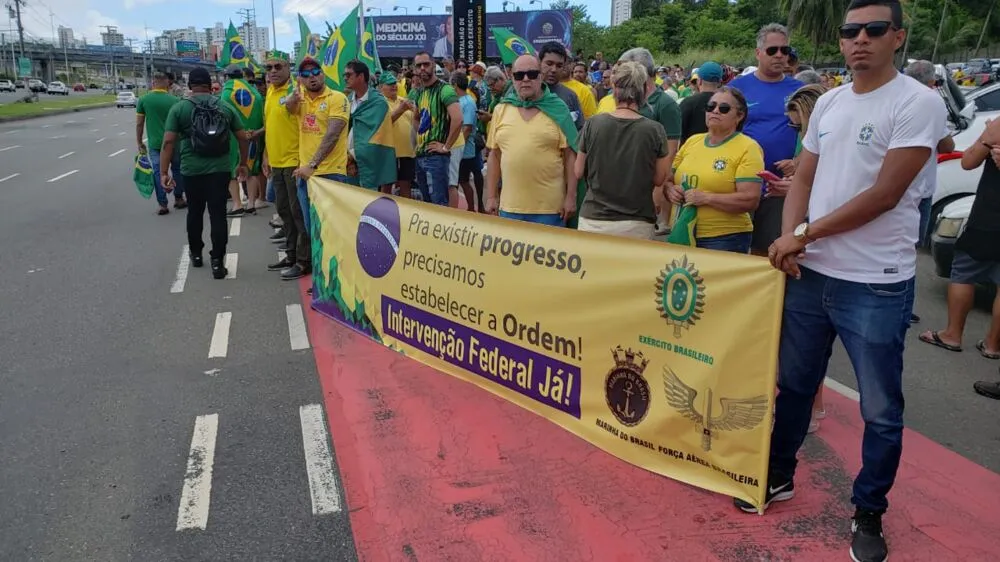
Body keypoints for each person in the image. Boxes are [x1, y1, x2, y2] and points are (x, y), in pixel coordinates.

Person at [748, 3, 944, 562]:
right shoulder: (830, 101)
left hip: (875, 283)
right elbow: (804, 175)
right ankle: (778, 476)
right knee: (793, 386)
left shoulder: (918, 102)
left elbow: (884, 196)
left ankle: (869, 512)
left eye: (873, 30)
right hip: (811, 274)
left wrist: (800, 237)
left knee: (880, 409)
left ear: (897, 37)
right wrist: (789, 241)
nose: (860, 40)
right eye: (849, 31)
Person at [919, 117, 1000, 359]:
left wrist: (987, 137)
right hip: (989, 213)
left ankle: (952, 334)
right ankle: (993, 345)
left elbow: (968, 162)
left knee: (963, 273)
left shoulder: (997, 126)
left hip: (988, 215)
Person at [161, 67, 248, 280]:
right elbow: (243, 137)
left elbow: (169, 142)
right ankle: (218, 261)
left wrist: (164, 171)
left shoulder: (179, 109)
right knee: (217, 214)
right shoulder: (225, 106)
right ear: (210, 85)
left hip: (191, 170)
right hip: (220, 170)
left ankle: (197, 254)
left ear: (190, 85)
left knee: (195, 213)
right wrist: (242, 163)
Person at [729, 23, 805, 256]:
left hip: (779, 186)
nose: (780, 55)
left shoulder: (801, 90)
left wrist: (798, 162)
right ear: (758, 53)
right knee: (734, 250)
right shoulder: (737, 88)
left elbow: (815, 135)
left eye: (785, 50)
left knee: (769, 251)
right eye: (773, 50)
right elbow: (721, 130)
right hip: (740, 183)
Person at [574, 61, 668, 239]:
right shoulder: (655, 130)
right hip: (637, 221)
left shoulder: (593, 124)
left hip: (594, 219)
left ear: (614, 87)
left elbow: (578, 171)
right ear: (644, 88)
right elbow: (659, 178)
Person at [780, 83, 828, 433]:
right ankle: (810, 405)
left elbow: (817, 185)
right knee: (802, 338)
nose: (794, 129)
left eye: (797, 123)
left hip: (816, 238)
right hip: (800, 233)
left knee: (811, 339)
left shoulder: (824, 134)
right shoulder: (809, 137)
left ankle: (814, 406)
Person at [666, 87, 763, 253]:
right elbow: (668, 177)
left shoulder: (748, 147)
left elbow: (750, 200)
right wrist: (670, 190)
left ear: (739, 116)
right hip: (682, 231)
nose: (715, 111)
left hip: (724, 238)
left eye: (724, 109)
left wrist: (706, 198)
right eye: (711, 107)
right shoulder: (692, 141)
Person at [485, 54, 577, 226]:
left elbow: (570, 155)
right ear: (512, 78)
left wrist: (571, 197)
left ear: (540, 76)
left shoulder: (558, 109)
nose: (525, 79)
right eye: (519, 75)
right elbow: (494, 155)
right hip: (510, 209)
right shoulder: (501, 110)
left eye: (532, 74)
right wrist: (491, 196)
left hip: (550, 210)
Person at [285, 57, 351, 279]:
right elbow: (289, 109)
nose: (312, 77)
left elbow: (333, 134)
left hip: (330, 175)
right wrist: (293, 98)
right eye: (305, 74)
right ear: (300, 79)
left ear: (323, 74)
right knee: (313, 229)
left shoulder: (338, 98)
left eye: (316, 72)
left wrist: (312, 164)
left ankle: (337, 279)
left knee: (332, 230)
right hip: (305, 177)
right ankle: (322, 278)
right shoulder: (300, 100)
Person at [618, 48, 682, 235]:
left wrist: (657, 194)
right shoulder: (625, 100)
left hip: (650, 191)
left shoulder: (665, 105)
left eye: (624, 69)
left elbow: (670, 154)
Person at [261, 53, 310, 279]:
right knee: (284, 212)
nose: (272, 71)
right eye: (268, 67)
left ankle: (303, 261)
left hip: (294, 164)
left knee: (298, 214)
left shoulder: (297, 91)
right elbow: (270, 127)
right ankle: (290, 255)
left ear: (288, 68)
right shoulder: (270, 91)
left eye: (277, 66)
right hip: (276, 163)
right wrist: (266, 156)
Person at [408, 51, 463, 207]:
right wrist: (422, 136)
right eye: (419, 65)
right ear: (415, 69)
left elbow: (458, 119)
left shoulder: (444, 89)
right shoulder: (419, 92)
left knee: (439, 203)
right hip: (421, 155)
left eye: (426, 64)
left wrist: (446, 146)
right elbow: (416, 117)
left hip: (436, 157)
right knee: (426, 203)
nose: (423, 68)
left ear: (433, 65)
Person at [136, 71, 186, 215]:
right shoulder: (175, 101)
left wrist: (139, 142)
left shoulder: (144, 100)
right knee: (177, 170)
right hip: (175, 143)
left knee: (158, 172)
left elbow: (139, 124)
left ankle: (163, 204)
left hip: (156, 145)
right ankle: (179, 198)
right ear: (166, 83)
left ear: (153, 83)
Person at [345, 59, 397, 191]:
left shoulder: (378, 102)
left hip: (368, 162)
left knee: (368, 204)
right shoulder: (347, 100)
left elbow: (377, 135)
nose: (345, 78)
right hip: (346, 162)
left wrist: (353, 154)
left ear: (361, 77)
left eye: (349, 75)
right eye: (344, 75)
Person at [220, 65, 265, 217]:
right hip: (253, 135)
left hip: (233, 138)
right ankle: (251, 203)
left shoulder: (226, 93)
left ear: (227, 77)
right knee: (251, 169)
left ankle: (237, 205)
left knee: (232, 169)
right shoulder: (254, 93)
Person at [381, 73, 416, 198]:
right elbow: (383, 124)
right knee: (387, 185)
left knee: (406, 185)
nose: (393, 86)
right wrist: (401, 110)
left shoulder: (404, 100)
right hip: (389, 152)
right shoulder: (380, 103)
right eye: (389, 84)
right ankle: (384, 213)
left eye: (394, 83)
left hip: (408, 151)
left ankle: (404, 214)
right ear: (381, 87)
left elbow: (415, 121)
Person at [453, 72, 483, 212]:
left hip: (466, 150)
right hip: (464, 148)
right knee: (463, 180)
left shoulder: (468, 102)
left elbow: (467, 128)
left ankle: (471, 209)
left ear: (455, 85)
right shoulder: (462, 101)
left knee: (464, 181)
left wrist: (458, 147)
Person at [538, 42, 584, 130]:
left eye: (559, 65)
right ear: (539, 63)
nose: (554, 70)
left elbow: (579, 130)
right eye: (549, 63)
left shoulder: (570, 97)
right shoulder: (524, 91)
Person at [679, 61, 724, 143]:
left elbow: (678, 131)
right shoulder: (727, 105)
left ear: (699, 81)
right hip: (721, 152)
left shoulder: (688, 102)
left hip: (691, 152)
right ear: (720, 82)